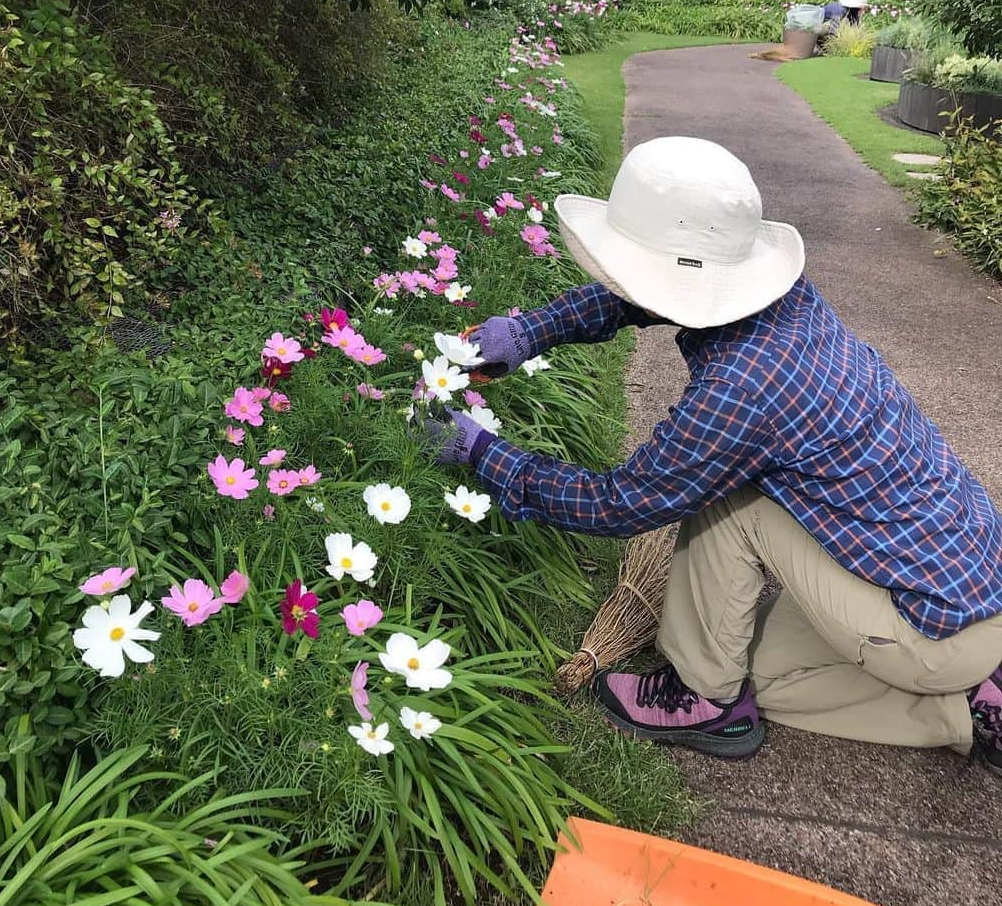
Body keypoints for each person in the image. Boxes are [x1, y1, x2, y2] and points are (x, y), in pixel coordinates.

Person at [420, 137, 1002, 770]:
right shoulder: (778, 299)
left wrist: (482, 453)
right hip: (964, 572)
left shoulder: (743, 386)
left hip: (929, 623)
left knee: (732, 502)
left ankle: (706, 700)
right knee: (767, 673)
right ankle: (971, 701)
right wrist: (532, 330)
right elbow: (644, 291)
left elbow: (621, 503)